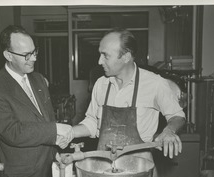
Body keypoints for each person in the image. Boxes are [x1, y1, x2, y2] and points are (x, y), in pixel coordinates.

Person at [72, 28, 185, 164]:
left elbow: (177, 115)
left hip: (139, 166)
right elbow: (92, 122)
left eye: (105, 56)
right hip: (104, 166)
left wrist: (169, 131)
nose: (99, 61)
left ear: (125, 57)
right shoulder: (101, 84)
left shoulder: (155, 83)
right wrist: (70, 132)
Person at [0, 25, 72, 177]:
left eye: (34, 52)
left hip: (50, 167)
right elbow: (13, 132)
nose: (34, 58)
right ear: (8, 55)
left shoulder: (38, 79)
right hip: (23, 175)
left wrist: (55, 143)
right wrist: (55, 129)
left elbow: (46, 118)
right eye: (26, 55)